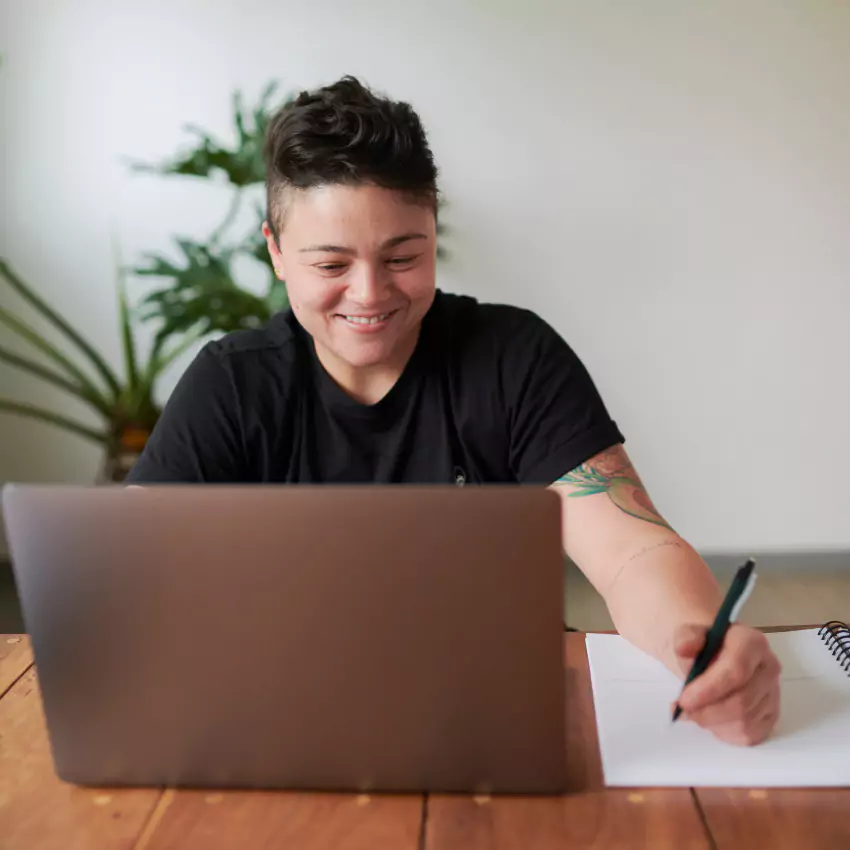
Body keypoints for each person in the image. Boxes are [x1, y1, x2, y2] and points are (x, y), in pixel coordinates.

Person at [127, 76, 781, 746]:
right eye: (331, 264)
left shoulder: (513, 358)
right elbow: (134, 570)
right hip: (284, 713)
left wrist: (695, 646)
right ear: (275, 251)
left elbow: (630, 550)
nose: (370, 293)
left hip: (492, 715)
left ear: (433, 231)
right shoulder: (232, 383)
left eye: (403, 257)